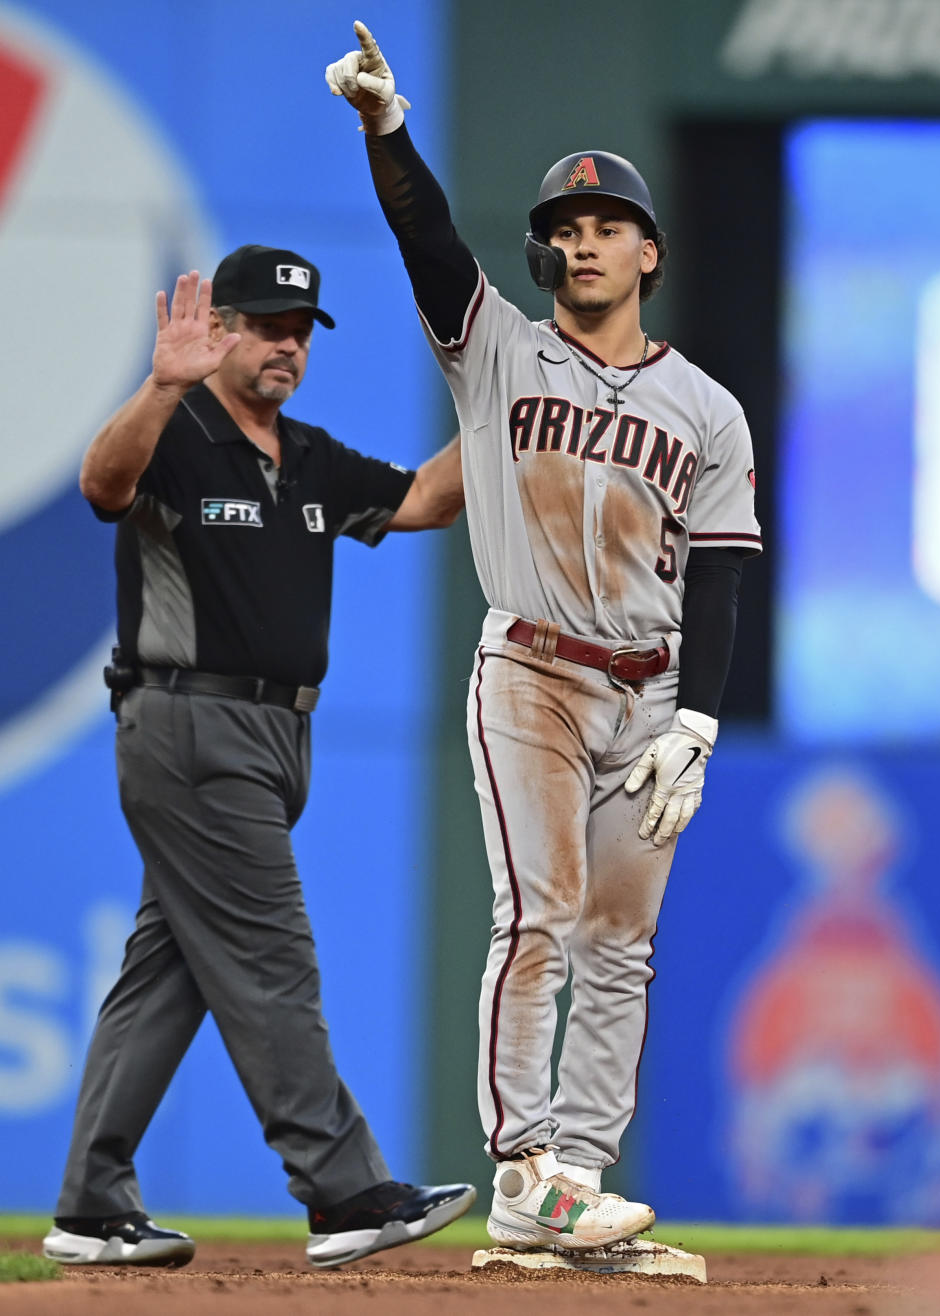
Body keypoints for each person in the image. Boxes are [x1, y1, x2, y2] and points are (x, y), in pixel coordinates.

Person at [327, 24, 762, 1254]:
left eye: (605, 223)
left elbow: (725, 572)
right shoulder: (498, 354)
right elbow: (427, 244)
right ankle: (524, 1168)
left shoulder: (706, 409)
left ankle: (576, 1180)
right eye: (566, 227)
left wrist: (699, 716)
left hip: (653, 687)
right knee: (540, 912)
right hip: (532, 672)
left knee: (621, 941)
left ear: (650, 252)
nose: (581, 239)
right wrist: (387, 133)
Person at [42, 244, 475, 1270]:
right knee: (272, 958)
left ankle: (92, 1204)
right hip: (192, 724)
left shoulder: (309, 457)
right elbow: (103, 484)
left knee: (169, 972)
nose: (286, 345)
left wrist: (503, 409)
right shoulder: (177, 432)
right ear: (220, 329)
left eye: (300, 331)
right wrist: (159, 385)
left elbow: (424, 498)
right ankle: (344, 1188)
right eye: (267, 325)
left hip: (277, 736)